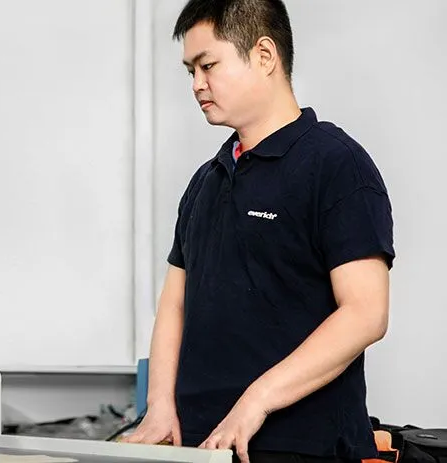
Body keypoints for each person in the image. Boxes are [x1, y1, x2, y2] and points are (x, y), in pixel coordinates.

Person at [121, 1, 395, 463]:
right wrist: (160, 405)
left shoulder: (336, 164)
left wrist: (257, 401)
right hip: (201, 447)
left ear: (264, 55)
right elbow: (174, 303)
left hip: (301, 447)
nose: (197, 84)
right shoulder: (205, 181)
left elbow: (366, 313)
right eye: (190, 71)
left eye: (208, 65)